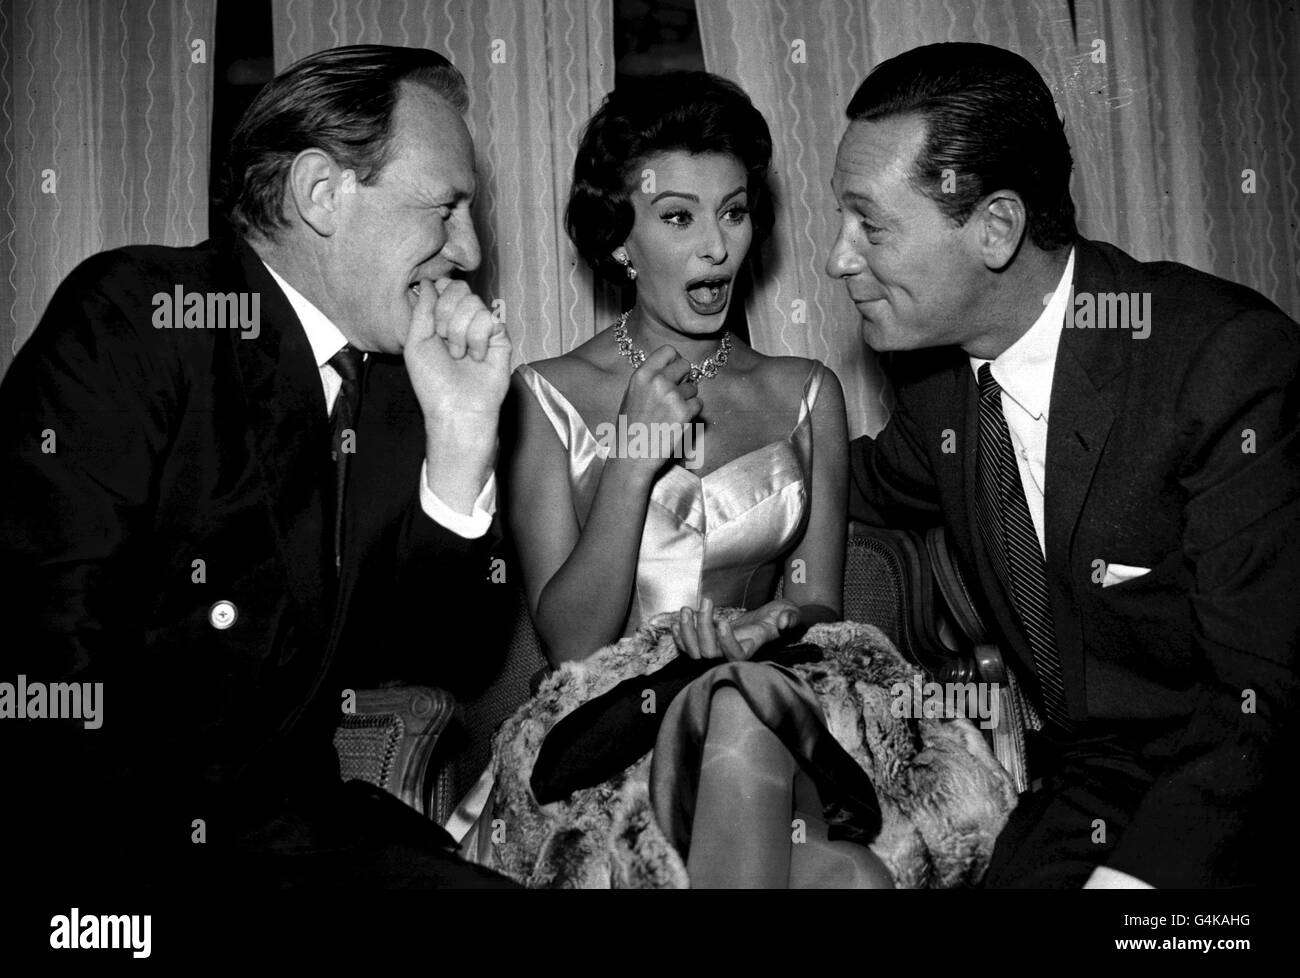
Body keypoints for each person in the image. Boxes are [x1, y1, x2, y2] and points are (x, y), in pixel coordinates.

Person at [0, 45, 516, 888]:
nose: (467, 248)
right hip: (109, 841)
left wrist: (460, 447)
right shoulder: (139, 318)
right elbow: (48, 651)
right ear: (322, 193)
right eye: (447, 207)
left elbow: (446, 660)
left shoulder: (400, 388)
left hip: (300, 836)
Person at [829, 41, 1300, 888]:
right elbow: (856, 480)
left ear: (997, 229)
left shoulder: (1219, 362)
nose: (840, 257)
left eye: (871, 223)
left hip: (1250, 792)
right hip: (1094, 788)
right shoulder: (941, 387)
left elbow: (1264, 695)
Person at [476, 72, 931, 889]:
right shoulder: (546, 396)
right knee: (835, 865)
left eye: (734, 211)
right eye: (678, 217)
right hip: (610, 725)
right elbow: (572, 642)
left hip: (782, 691)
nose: (716, 247)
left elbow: (822, 602)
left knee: (741, 706)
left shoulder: (805, 392)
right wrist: (633, 460)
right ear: (620, 239)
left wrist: (769, 623)